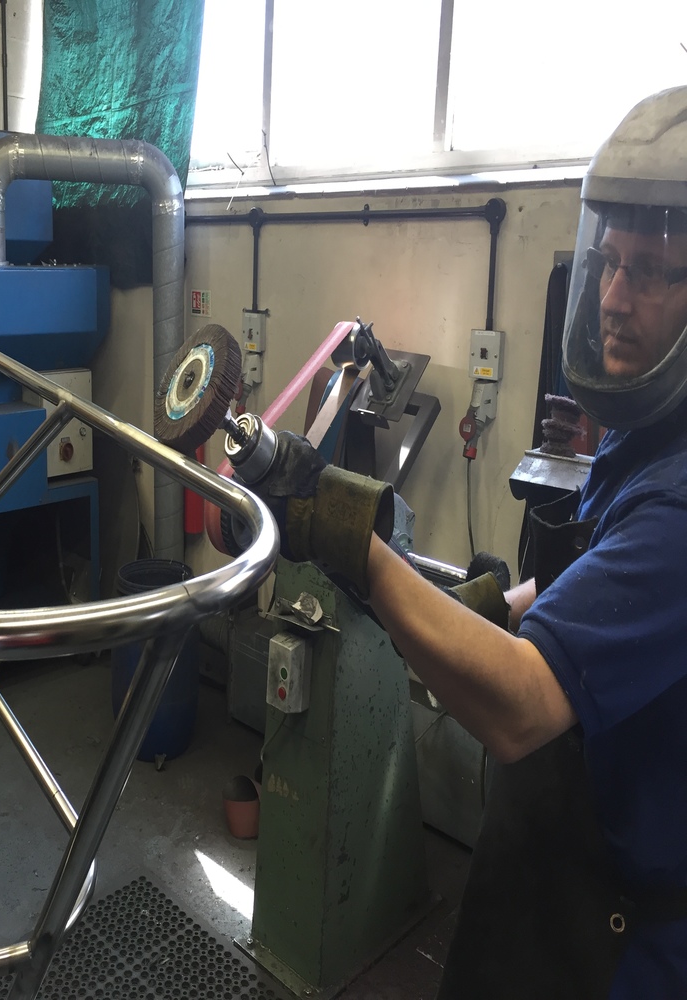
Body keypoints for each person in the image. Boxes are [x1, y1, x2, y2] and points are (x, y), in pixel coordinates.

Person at [243, 86, 687, 999]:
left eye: (650, 273)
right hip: (560, 860)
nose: (613, 298)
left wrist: (355, 545)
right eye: (610, 263)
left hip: (621, 929)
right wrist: (482, 605)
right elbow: (586, 592)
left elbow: (521, 707)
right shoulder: (647, 442)